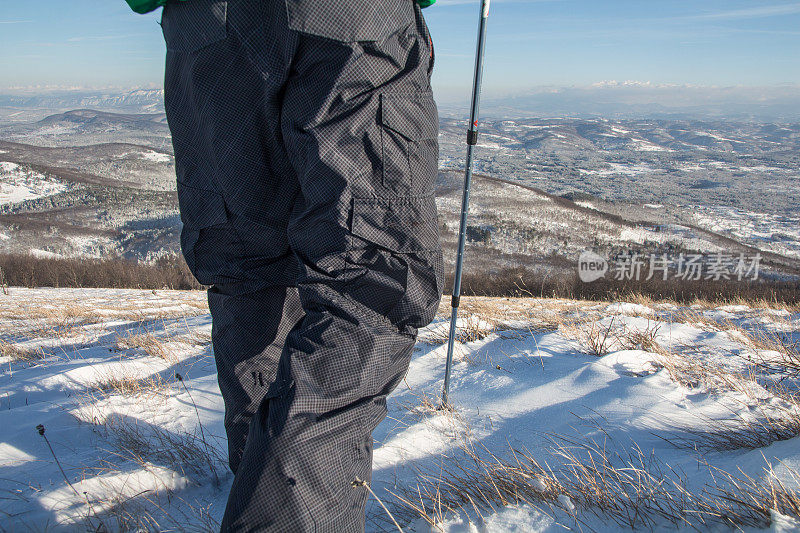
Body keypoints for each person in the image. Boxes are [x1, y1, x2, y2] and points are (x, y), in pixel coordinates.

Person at [127, 0, 443, 529]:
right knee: (375, 281)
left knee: (249, 269)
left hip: (206, 28)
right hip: (350, 18)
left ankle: (258, 485)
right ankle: (279, 513)